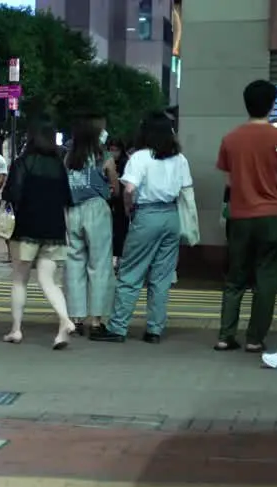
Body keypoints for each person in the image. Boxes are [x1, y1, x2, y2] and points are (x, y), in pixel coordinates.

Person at [214, 80, 277, 352]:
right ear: (271, 104)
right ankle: (255, 339)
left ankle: (225, 336)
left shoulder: (230, 139)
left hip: (240, 216)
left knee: (235, 277)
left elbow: (230, 182)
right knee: (266, 278)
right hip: (272, 215)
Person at [92, 112, 193, 344]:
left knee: (131, 272)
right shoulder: (180, 159)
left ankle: (118, 328)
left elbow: (128, 190)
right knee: (162, 276)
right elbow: (186, 189)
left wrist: (129, 209)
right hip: (172, 216)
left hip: (147, 215)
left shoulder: (140, 157)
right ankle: (154, 330)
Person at [1, 118, 76, 349]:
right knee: (49, 281)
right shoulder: (59, 166)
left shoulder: (23, 163)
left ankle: (16, 330)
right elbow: (67, 201)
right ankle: (64, 321)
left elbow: (12, 194)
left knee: (20, 279)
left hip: (26, 228)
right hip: (54, 230)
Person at [64, 116, 118, 336]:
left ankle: (75, 319)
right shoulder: (103, 157)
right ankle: (96, 321)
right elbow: (114, 185)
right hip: (96, 209)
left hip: (71, 210)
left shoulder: (69, 158)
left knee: (74, 263)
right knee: (100, 264)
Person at [107, 137, 130, 263]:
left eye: (116, 150)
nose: (113, 153)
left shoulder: (125, 163)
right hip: (110, 201)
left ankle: (119, 258)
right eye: (111, 150)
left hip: (121, 202)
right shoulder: (107, 163)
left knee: (121, 230)